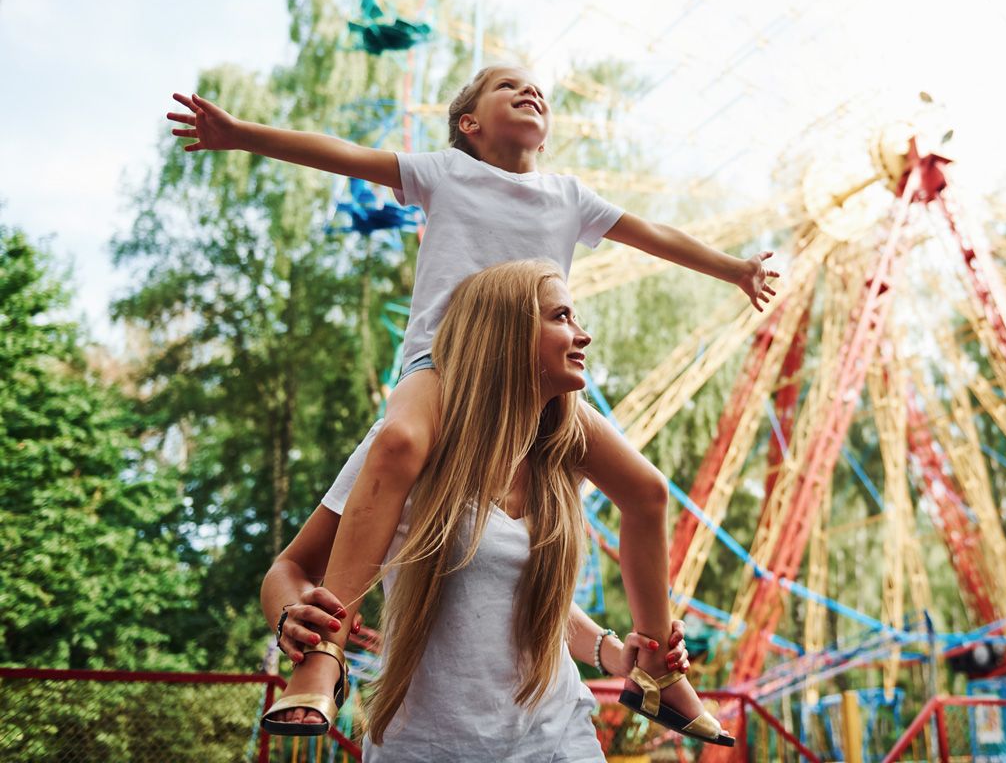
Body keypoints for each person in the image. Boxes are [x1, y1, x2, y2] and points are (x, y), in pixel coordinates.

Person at [168, 63, 771, 740]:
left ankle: (659, 672)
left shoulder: (567, 196)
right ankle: (323, 656)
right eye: (506, 86)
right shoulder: (445, 174)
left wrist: (735, 269)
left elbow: (655, 236)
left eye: (536, 87)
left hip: (526, 379)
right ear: (469, 124)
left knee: (647, 491)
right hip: (446, 362)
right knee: (396, 444)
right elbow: (340, 154)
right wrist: (240, 134)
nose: (529, 89)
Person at [261, 261, 724, 758]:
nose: (583, 335)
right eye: (562, 316)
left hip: (555, 736)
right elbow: (288, 569)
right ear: (505, 333)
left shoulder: (555, 460)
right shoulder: (405, 446)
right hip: (429, 744)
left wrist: (616, 653)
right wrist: (294, 617)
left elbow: (525, 596)